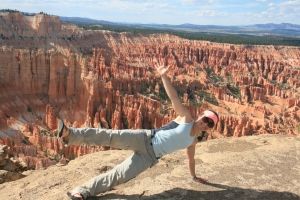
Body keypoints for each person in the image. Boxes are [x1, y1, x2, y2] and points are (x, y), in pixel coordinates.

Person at [58, 62, 219, 199]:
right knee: (110, 136)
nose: (205, 124)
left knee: (118, 176)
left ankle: (82, 191)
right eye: (206, 119)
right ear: (200, 115)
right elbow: (174, 98)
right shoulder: (186, 117)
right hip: (144, 138)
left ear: (210, 130)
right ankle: (70, 134)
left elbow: (191, 160)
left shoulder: (192, 142)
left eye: (210, 124)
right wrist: (163, 76)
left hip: (149, 158)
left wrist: (194, 177)